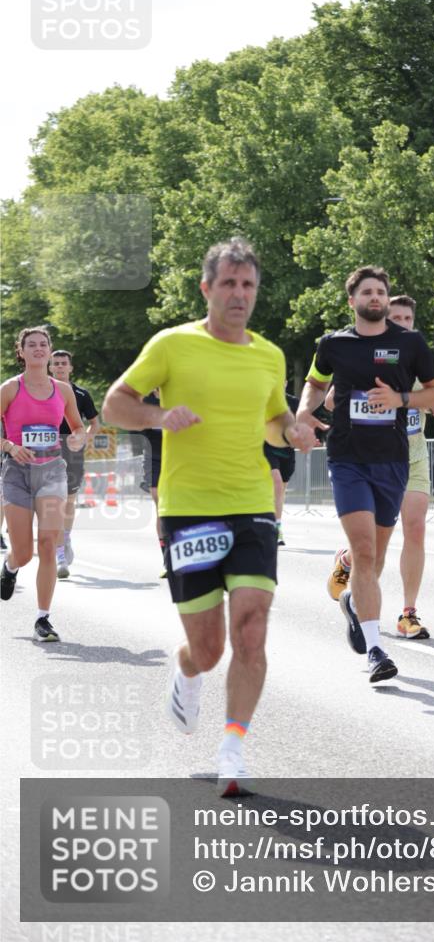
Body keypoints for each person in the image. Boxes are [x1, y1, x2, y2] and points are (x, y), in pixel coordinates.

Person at [103, 237, 315, 795]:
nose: (240, 294)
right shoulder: (172, 345)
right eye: (229, 283)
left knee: (252, 627)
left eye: (248, 284)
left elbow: (274, 418)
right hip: (189, 510)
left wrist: (292, 429)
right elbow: (113, 404)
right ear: (207, 288)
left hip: (251, 505)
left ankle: (233, 747)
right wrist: (157, 413)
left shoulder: (267, 355)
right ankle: (189, 669)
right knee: (210, 648)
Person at [297, 266, 434, 683]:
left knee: (375, 559)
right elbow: (314, 381)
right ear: (353, 301)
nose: (376, 297)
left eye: (381, 291)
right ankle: (376, 650)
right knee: (363, 552)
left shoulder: (410, 342)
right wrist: (305, 412)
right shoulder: (333, 343)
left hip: (393, 460)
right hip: (347, 459)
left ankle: (351, 602)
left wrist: (398, 398)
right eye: (368, 292)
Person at [326, 295, 434, 640]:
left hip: (414, 458)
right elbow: (332, 399)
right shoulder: (364, 357)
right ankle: (349, 562)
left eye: (409, 317)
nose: (404, 323)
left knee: (416, 527)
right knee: (374, 544)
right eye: (397, 317)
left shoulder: (417, 355)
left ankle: (408, 613)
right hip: (372, 460)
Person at [1, 327, 86, 641]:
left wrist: (77, 439)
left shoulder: (62, 391)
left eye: (43, 344)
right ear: (21, 352)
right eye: (31, 345)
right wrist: (10, 446)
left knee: (50, 544)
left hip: (52, 472)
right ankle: (10, 567)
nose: (38, 349)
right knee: (23, 553)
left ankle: (43, 619)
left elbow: (77, 427)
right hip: (17, 475)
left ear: (50, 351)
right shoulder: (9, 389)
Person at [49, 349, 100, 579]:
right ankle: (60, 554)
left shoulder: (81, 393)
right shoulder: (41, 391)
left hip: (72, 452)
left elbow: (95, 425)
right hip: (47, 451)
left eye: (63, 363)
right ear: (50, 367)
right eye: (56, 363)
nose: (59, 367)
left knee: (68, 500)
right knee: (53, 500)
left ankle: (66, 538)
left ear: (70, 368)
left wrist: (82, 440)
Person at [263, 385, 299, 546]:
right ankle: (276, 529)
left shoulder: (293, 402)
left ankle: (273, 520)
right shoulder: (263, 401)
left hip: (287, 453)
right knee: (276, 483)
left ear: (285, 383)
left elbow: (302, 424)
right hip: (267, 449)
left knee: (280, 490)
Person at [138, 390, 167, 577]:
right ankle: (167, 557)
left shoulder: (180, 394)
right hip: (153, 455)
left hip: (180, 454)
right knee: (161, 505)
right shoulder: (145, 400)